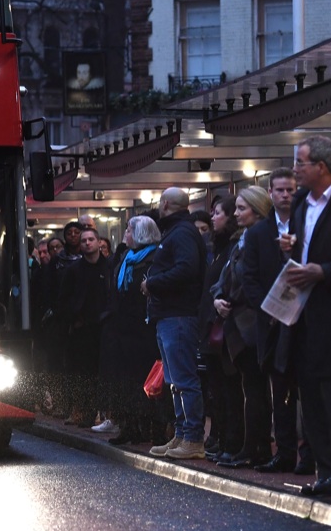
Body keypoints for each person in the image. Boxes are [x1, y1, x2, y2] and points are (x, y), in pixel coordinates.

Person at [275, 136, 331, 496]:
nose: (295, 169)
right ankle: (325, 470)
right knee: (309, 397)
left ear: (321, 167)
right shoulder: (300, 204)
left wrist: (324, 271)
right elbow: (303, 249)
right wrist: (291, 249)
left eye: (301, 163)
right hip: (302, 315)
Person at [241, 167, 312, 474]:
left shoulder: (306, 223)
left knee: (307, 389)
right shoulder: (258, 233)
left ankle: (309, 455)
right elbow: (250, 278)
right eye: (280, 190)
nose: (285, 195)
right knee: (279, 390)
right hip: (271, 322)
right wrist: (268, 309)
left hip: (306, 318)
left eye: (290, 190)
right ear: (270, 193)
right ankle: (284, 453)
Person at [211, 186, 274, 469]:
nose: (235, 214)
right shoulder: (240, 241)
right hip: (236, 324)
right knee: (248, 387)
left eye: (241, 208)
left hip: (252, 323)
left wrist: (231, 299)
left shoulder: (263, 239)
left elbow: (254, 281)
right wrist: (218, 299)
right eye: (235, 208)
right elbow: (222, 280)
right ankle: (251, 446)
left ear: (258, 210)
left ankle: (257, 447)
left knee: (256, 388)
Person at [144, 187, 208, 460]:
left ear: (165, 204)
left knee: (183, 379)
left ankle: (192, 438)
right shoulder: (178, 231)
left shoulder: (180, 232)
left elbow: (186, 268)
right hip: (170, 314)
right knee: (174, 380)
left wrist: (152, 283)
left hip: (178, 314)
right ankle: (182, 434)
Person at [97, 216, 163, 445]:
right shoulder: (125, 257)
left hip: (144, 328)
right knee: (125, 380)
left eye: (128, 230)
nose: (125, 234)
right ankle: (130, 427)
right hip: (122, 327)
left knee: (145, 378)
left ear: (140, 233)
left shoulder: (155, 258)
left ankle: (153, 428)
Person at [200, 196, 240, 461]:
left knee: (229, 388)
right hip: (211, 325)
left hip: (228, 327)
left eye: (217, 213)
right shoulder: (217, 248)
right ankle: (221, 438)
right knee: (217, 387)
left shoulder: (232, 248)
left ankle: (231, 441)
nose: (212, 217)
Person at [58, 226, 111, 426]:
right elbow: (63, 298)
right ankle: (86, 413)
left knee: (104, 371)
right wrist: (73, 318)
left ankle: (106, 413)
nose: (87, 243)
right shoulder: (73, 270)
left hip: (105, 326)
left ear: (99, 242)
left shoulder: (109, 267)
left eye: (90, 239)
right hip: (82, 328)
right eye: (84, 240)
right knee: (83, 371)